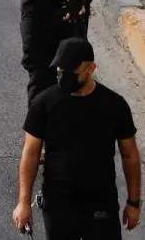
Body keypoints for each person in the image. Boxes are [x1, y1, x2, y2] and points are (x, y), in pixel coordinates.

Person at [14, 37, 142, 239]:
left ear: (91, 68)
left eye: (71, 73)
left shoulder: (114, 105)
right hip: (58, 205)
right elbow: (30, 154)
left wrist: (134, 203)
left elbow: (130, 155)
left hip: (101, 203)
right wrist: (23, 203)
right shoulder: (44, 104)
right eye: (60, 72)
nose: (64, 77)